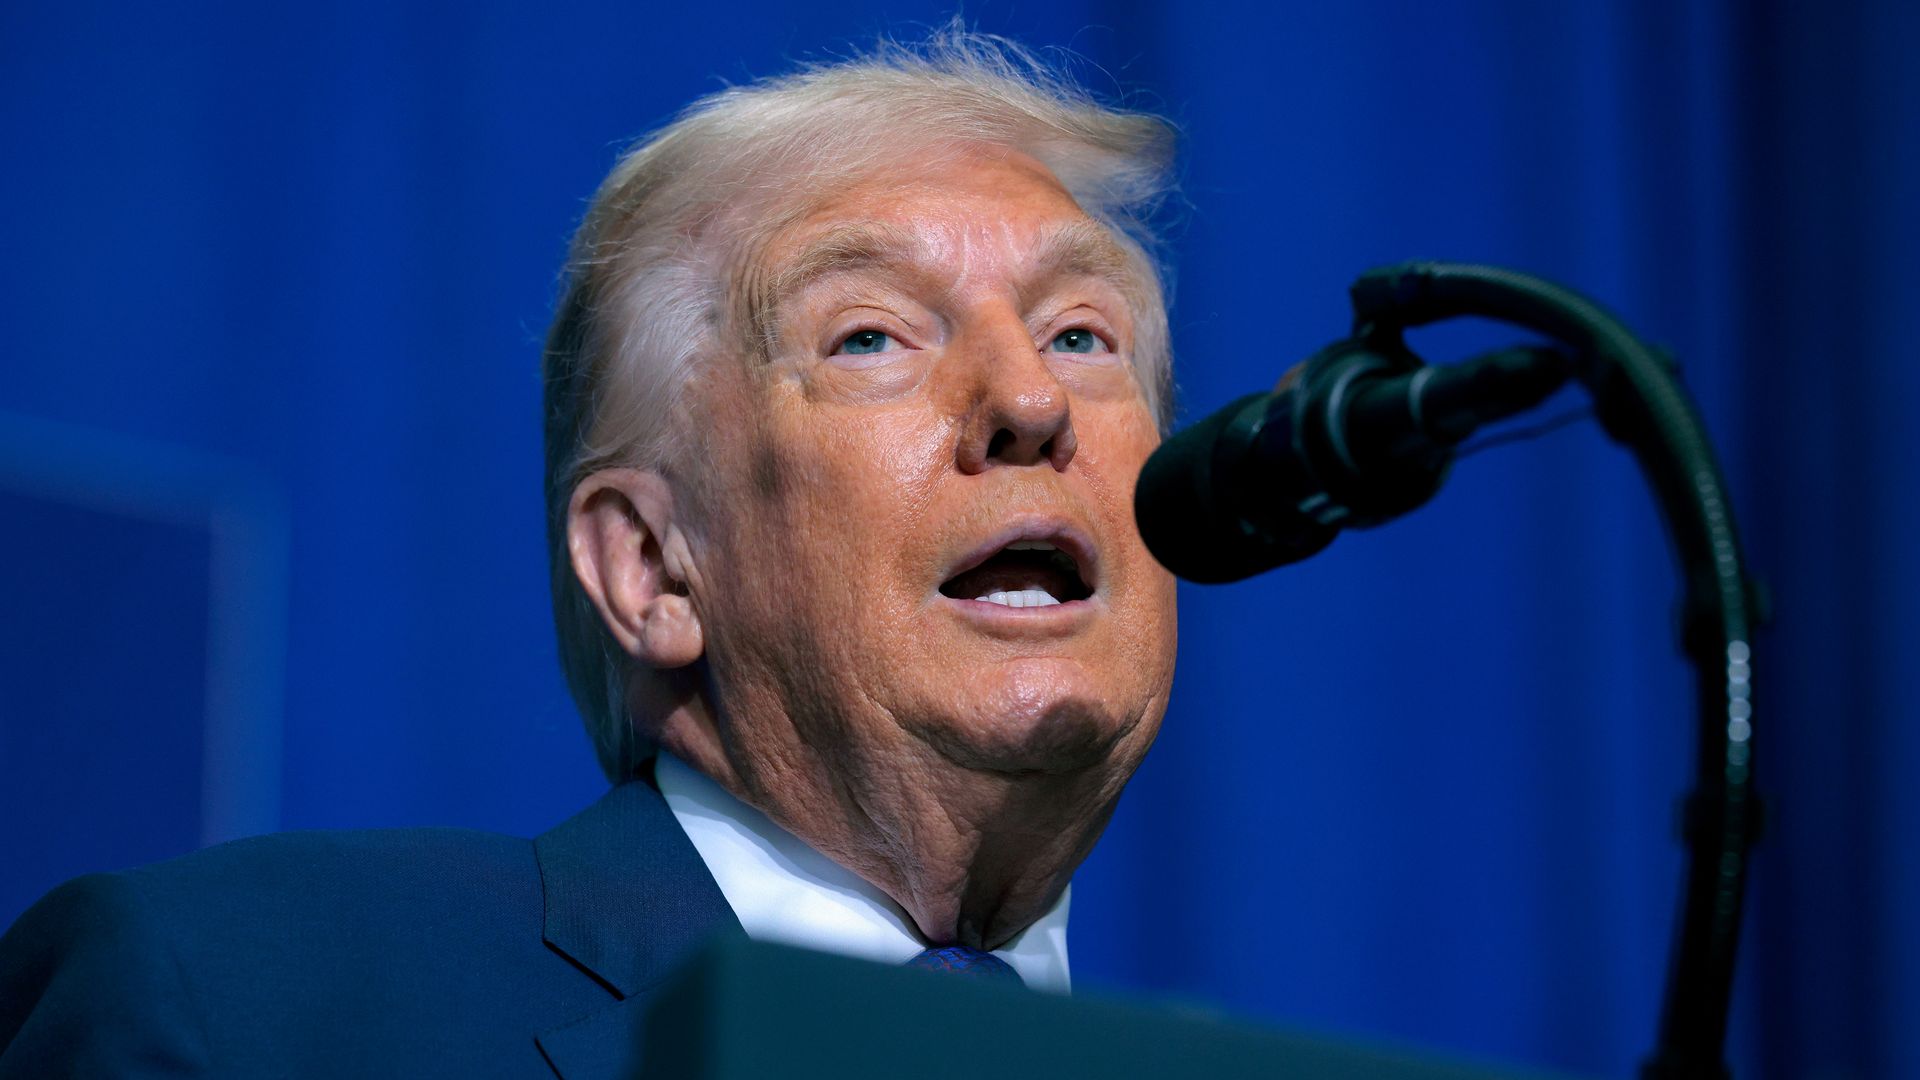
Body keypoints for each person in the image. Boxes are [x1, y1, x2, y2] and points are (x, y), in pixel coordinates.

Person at [0, 28, 1180, 1078]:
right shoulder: (244, 1009)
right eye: (868, 336)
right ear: (651, 568)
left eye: (1082, 334)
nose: (1032, 398)